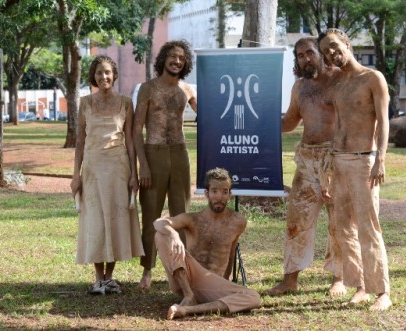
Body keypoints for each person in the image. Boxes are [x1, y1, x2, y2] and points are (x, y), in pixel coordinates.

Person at [263, 37, 345, 297]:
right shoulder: (299, 88)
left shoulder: (339, 80)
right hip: (307, 159)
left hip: (336, 160)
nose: (305, 59)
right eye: (300, 56)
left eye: (310, 52)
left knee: (339, 222)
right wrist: (262, 122)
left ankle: (339, 278)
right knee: (296, 220)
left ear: (321, 53)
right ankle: (290, 279)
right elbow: (290, 122)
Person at [318, 28, 392, 311]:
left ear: (347, 44)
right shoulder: (337, 85)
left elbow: (383, 122)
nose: (332, 54)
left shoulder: (373, 78)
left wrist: (381, 159)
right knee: (342, 228)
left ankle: (382, 292)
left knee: (368, 226)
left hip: (364, 160)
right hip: (339, 160)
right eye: (326, 52)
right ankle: (360, 285)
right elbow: (338, 127)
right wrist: (328, 167)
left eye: (335, 47)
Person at [70, 55, 144, 295]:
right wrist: (75, 176)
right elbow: (80, 142)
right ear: (94, 76)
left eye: (108, 72)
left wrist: (135, 173)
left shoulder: (125, 103)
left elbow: (131, 141)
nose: (104, 77)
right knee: (95, 221)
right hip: (91, 169)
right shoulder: (85, 103)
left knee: (115, 218)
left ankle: (110, 278)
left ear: (114, 75)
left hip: (118, 168)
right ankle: (97, 278)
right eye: (99, 73)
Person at [153, 167, 261, 320]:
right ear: (206, 193)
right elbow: (158, 223)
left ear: (230, 195)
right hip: (185, 279)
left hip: (212, 283)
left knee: (253, 297)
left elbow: (230, 254)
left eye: (224, 192)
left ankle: (189, 310)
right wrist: (174, 235)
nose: (219, 196)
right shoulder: (193, 219)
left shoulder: (238, 222)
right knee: (162, 234)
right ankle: (189, 296)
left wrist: (224, 282)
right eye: (215, 191)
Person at [134, 40, 197, 289]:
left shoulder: (188, 89)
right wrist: (143, 166)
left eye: (181, 57)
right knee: (150, 213)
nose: (177, 61)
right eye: (172, 56)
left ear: (186, 62)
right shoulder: (148, 88)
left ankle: (182, 269)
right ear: (163, 60)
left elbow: (209, 117)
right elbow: (137, 130)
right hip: (154, 152)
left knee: (182, 214)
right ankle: (147, 272)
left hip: (180, 153)